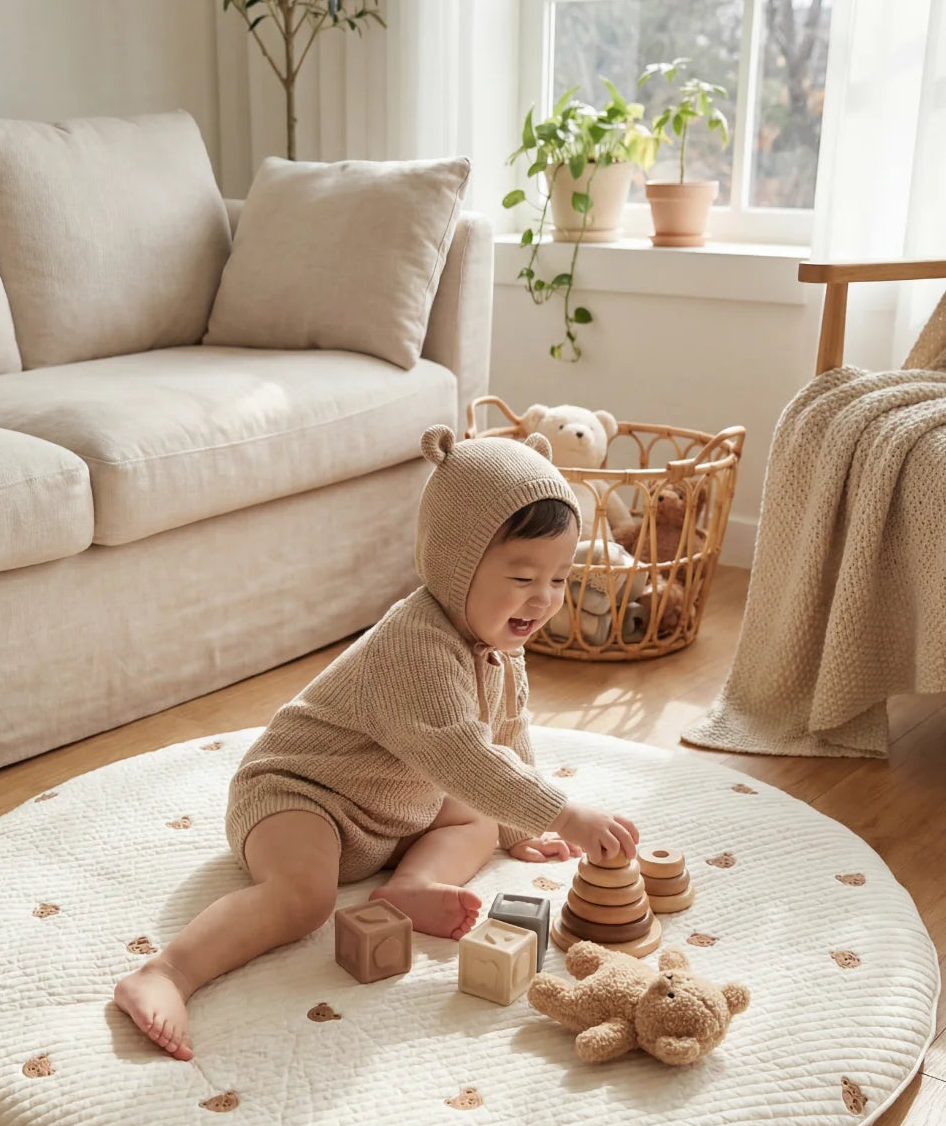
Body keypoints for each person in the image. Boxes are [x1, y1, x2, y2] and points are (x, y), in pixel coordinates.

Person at [115, 424, 639, 1058]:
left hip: (395, 810)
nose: (544, 599)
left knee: (478, 819)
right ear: (455, 563)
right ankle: (166, 973)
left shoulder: (498, 642)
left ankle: (408, 888)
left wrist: (521, 825)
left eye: (559, 579)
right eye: (523, 576)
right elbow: (462, 755)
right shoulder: (415, 641)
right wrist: (560, 810)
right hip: (300, 797)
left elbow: (504, 734)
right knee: (305, 899)